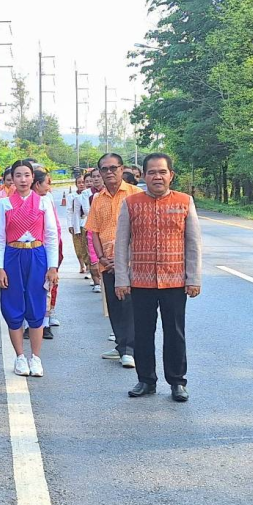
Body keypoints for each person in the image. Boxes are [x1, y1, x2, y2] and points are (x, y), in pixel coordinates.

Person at [113, 153, 202, 402]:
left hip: (175, 280)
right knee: (142, 332)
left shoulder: (185, 202)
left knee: (175, 332)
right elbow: (121, 244)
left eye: (162, 172)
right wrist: (122, 278)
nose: (157, 177)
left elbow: (193, 243)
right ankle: (146, 380)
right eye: (152, 172)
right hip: (140, 281)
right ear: (144, 176)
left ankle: (177, 382)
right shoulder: (131, 203)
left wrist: (193, 278)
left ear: (171, 175)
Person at [0, 160, 59, 377]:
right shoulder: (5, 204)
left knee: (37, 303)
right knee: (13, 305)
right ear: (12, 178)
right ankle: (20, 357)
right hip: (13, 255)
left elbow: (50, 235)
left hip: (37, 255)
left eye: (26, 175)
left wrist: (52, 266)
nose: (22, 180)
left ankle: (36, 358)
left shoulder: (43, 203)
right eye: (18, 175)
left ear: (33, 178)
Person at [85, 153, 142, 368]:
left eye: (113, 168)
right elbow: (94, 232)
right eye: (104, 169)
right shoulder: (98, 199)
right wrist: (100, 258)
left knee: (129, 304)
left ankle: (130, 349)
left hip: (130, 262)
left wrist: (124, 258)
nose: (109, 172)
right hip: (106, 262)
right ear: (99, 172)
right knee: (114, 305)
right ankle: (120, 345)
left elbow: (141, 231)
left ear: (122, 169)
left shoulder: (135, 194)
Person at [32, 169, 62, 338]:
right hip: (31, 251)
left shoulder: (47, 200)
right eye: (47, 183)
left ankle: (45, 323)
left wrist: (54, 257)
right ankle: (32, 323)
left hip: (47, 250)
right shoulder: (16, 201)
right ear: (37, 184)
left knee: (47, 287)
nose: (50, 188)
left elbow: (53, 230)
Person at [69, 172, 91, 278]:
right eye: (79, 183)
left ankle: (89, 266)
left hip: (87, 223)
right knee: (78, 245)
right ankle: (81, 265)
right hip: (77, 223)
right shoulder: (72, 196)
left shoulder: (89, 195)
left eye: (84, 182)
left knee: (87, 245)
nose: (81, 184)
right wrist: (70, 225)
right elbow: (70, 211)